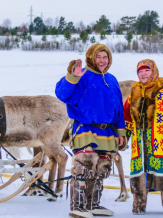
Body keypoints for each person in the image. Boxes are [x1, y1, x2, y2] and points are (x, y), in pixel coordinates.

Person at [55, 43, 126, 218]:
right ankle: (77, 207)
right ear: (91, 58)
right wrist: (72, 77)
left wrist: (121, 131)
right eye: (98, 57)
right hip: (86, 128)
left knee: (102, 168)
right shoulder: (83, 76)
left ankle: (92, 205)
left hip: (107, 131)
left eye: (105, 57)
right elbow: (62, 94)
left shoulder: (112, 79)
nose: (102, 60)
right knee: (84, 167)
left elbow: (119, 109)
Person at [123, 59, 163, 215]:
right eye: (140, 71)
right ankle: (139, 204)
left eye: (146, 70)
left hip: (161, 140)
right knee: (141, 171)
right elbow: (126, 115)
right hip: (141, 141)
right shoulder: (134, 93)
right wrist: (124, 135)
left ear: (154, 71)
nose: (143, 74)